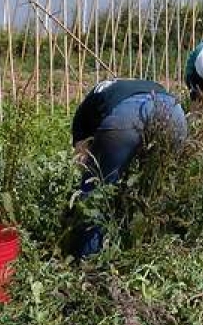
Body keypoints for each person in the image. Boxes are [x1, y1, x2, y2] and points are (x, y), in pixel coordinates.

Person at [67, 79, 188, 258]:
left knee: (96, 191)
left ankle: (88, 260)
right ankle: (162, 250)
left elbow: (82, 156)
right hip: (173, 112)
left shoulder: (83, 116)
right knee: (161, 187)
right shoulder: (123, 87)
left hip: (127, 115)